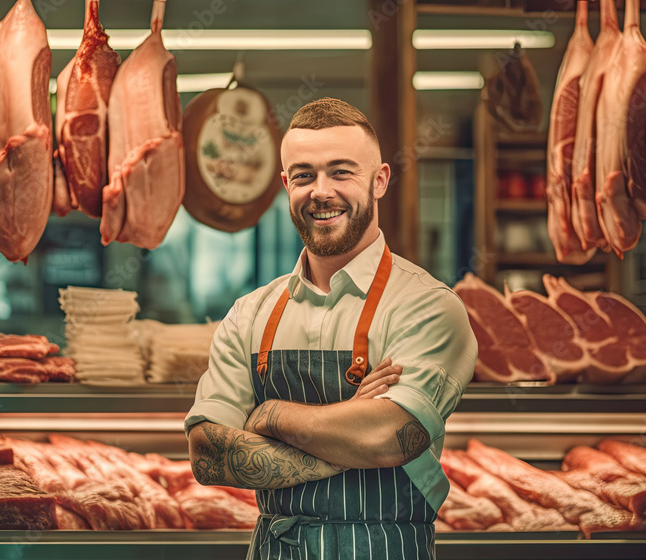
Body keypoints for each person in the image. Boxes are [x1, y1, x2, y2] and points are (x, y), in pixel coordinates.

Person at [185, 97, 477, 559]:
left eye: (342, 172)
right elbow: (208, 454)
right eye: (304, 175)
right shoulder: (249, 313)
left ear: (379, 180)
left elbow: (392, 436)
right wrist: (352, 430)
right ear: (286, 184)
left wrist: (270, 417)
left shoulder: (428, 307)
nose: (321, 191)